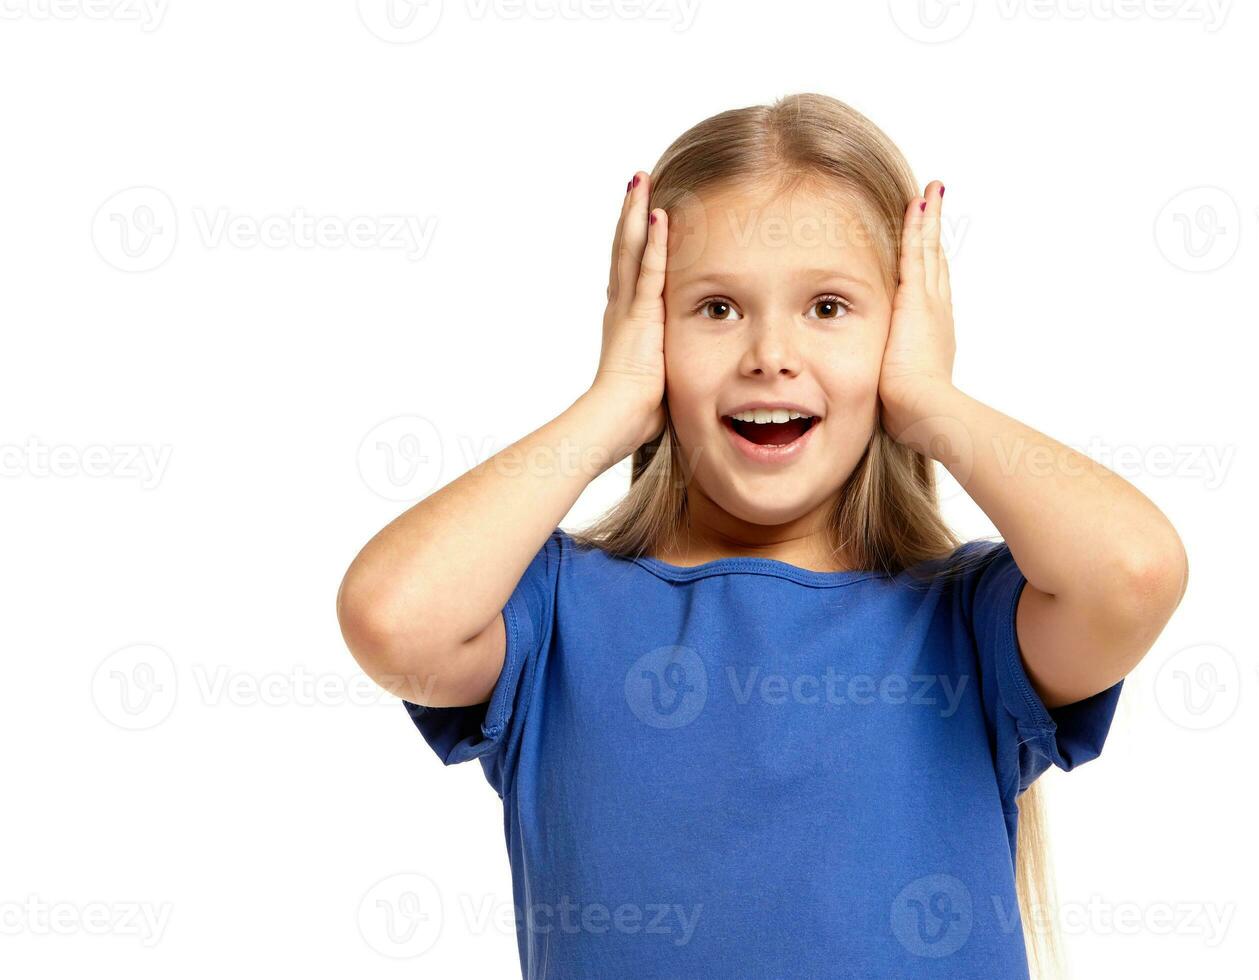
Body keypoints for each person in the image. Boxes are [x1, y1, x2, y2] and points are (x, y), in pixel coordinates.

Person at [337, 92, 1188, 979]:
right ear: (647, 330)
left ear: (903, 331)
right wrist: (611, 404)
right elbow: (393, 619)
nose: (769, 354)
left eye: (828, 307)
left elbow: (1133, 571)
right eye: (715, 309)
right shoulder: (555, 615)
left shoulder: (968, 622)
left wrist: (931, 401)